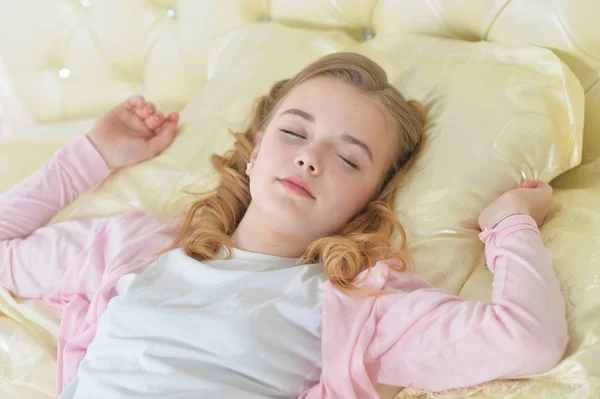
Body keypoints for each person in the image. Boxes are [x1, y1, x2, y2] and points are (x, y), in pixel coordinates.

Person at [0, 53, 568, 399]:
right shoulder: (131, 247)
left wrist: (511, 223)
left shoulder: (354, 304)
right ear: (254, 152)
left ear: (369, 198)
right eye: (294, 133)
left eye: (349, 159)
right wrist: (94, 153)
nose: (309, 159)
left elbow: (528, 339)